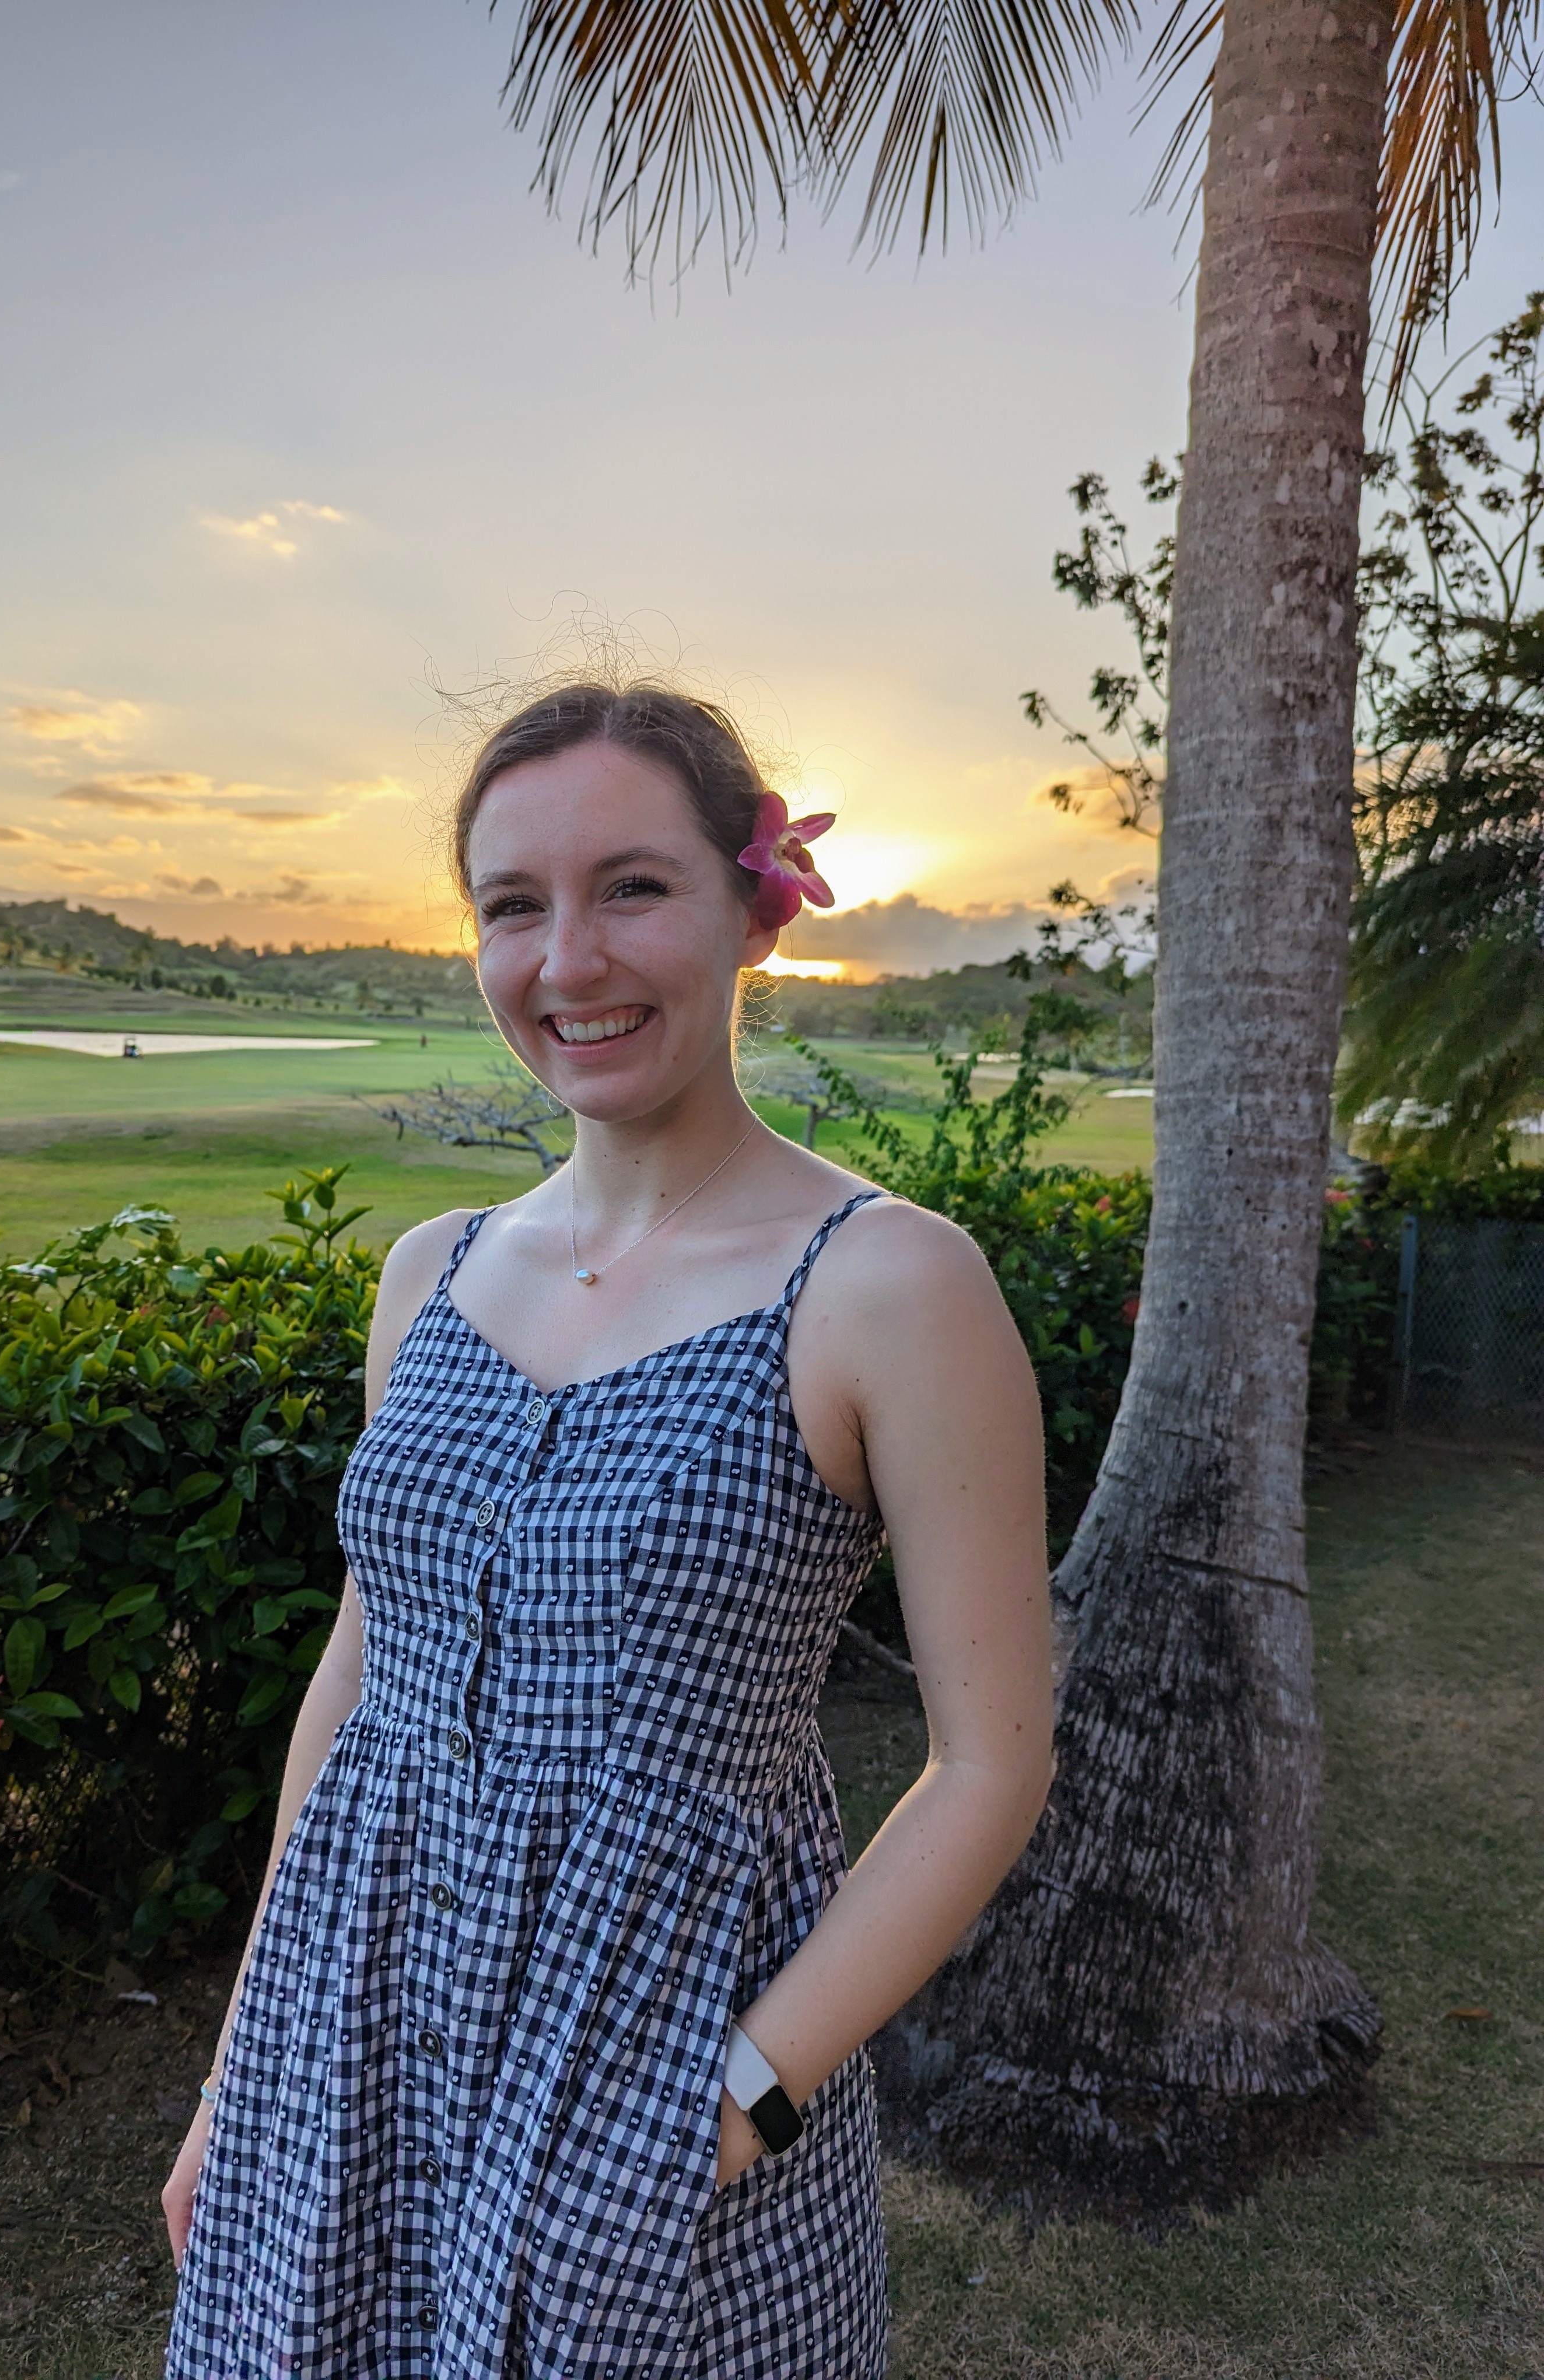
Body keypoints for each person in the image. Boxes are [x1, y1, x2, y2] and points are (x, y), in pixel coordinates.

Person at [162, 683, 1054, 2379]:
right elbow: (362, 1675)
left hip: (657, 2058)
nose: (568, 961)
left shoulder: (886, 1284)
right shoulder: (429, 1275)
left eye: (632, 887)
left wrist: (729, 2112)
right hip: (353, 2045)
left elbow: (991, 1764)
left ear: (752, 913)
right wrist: (238, 2068)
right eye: (514, 905)